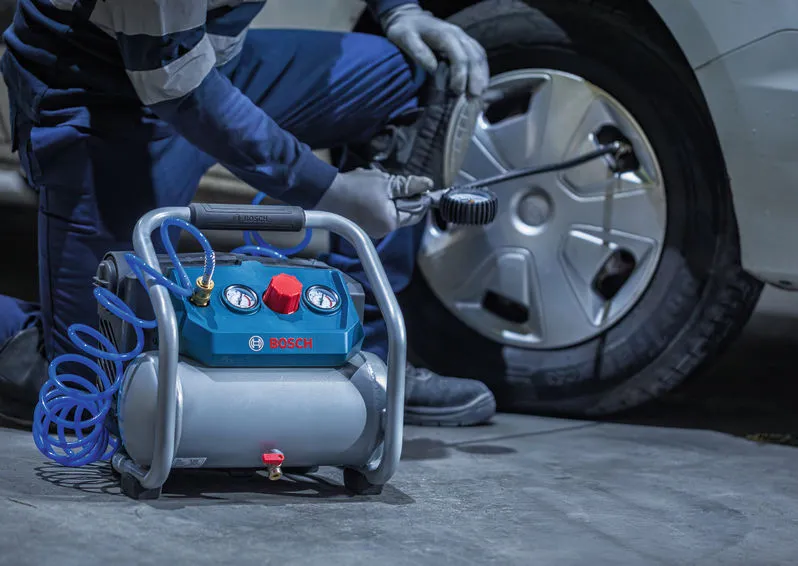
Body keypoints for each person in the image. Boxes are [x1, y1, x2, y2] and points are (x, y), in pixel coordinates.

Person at [0, 0, 497, 430]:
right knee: (96, 392)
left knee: (414, 75)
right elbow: (174, 85)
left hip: (215, 63)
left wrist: (399, 10)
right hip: (101, 96)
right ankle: (26, 342)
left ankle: (367, 356)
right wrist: (333, 192)